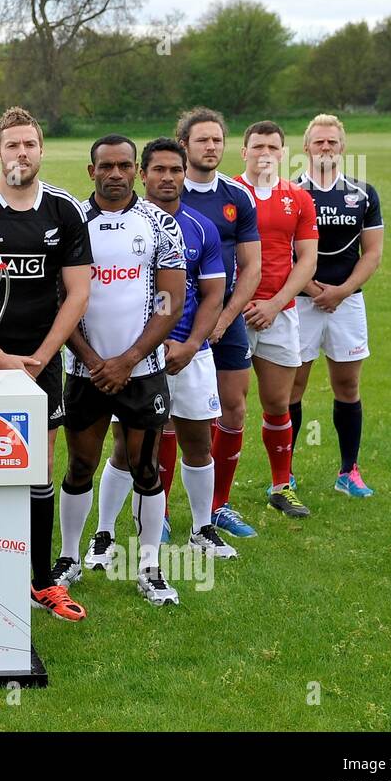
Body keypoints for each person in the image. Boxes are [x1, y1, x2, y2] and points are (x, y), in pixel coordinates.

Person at [0, 106, 91, 622]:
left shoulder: (66, 211)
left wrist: (41, 358)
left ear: (41, 150)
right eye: (12, 145)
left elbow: (77, 292)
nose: (21, 153)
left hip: (42, 358)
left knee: (37, 468)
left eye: (30, 144)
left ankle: (42, 581)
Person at [87, 138, 237, 569]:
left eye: (175, 170)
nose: (167, 178)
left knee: (196, 442)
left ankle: (202, 529)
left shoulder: (200, 227)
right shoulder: (120, 223)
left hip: (189, 354)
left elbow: (213, 295)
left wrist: (191, 344)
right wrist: (139, 349)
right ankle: (104, 533)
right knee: (125, 449)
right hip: (130, 357)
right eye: (159, 170)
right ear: (143, 173)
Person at [60, 135, 186, 606]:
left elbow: (170, 303)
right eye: (105, 165)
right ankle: (69, 558)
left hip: (144, 369)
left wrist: (129, 360)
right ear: (90, 170)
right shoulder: (72, 220)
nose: (115, 173)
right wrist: (95, 362)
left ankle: (150, 568)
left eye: (123, 165)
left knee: (146, 468)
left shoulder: (159, 225)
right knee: (79, 466)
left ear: (136, 171)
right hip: (83, 371)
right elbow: (61, 300)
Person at [175, 108, 263, 538]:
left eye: (217, 140)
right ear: (184, 145)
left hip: (226, 320)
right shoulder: (169, 191)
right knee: (170, 416)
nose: (211, 147)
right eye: (202, 140)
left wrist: (225, 318)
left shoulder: (237, 196)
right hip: (175, 321)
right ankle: (159, 508)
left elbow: (252, 267)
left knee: (234, 407)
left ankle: (218, 505)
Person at [292, 114, 383, 497]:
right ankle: (285, 475)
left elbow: (372, 252)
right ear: (306, 148)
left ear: (342, 147)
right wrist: (314, 290)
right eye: (319, 142)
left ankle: (349, 472)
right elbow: (281, 252)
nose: (326, 148)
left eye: (332, 142)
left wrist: (341, 291)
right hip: (298, 301)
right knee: (290, 390)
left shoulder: (362, 194)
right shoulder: (290, 192)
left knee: (347, 385)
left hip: (346, 303)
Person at [233, 121, 318, 518]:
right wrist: (239, 304)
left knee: (278, 403)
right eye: (257, 146)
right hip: (232, 315)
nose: (264, 152)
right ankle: (217, 500)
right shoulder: (229, 192)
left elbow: (308, 260)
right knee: (227, 408)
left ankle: (281, 486)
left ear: (283, 152)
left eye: (272, 146)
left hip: (279, 314)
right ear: (244, 151)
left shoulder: (298, 198)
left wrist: (276, 302)